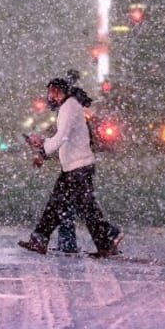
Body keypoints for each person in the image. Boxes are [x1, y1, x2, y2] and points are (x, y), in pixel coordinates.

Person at [19, 78, 123, 257]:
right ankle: (41, 239)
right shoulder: (69, 106)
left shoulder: (69, 106)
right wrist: (42, 142)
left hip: (78, 168)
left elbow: (62, 137)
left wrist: (42, 153)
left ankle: (109, 236)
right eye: (49, 93)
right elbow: (63, 137)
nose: (50, 97)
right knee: (60, 205)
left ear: (61, 92)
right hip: (74, 168)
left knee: (83, 208)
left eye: (53, 92)